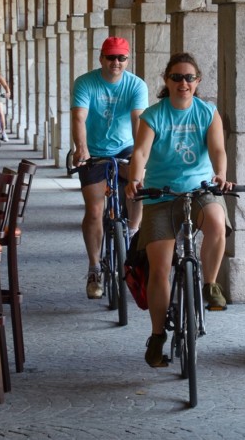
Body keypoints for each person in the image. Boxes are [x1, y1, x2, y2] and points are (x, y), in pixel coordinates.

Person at [125, 52, 233, 368]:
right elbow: (141, 151)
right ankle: (158, 336)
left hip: (199, 190)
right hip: (161, 195)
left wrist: (220, 176)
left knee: (215, 221)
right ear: (167, 81)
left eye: (189, 78)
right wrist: (135, 179)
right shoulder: (153, 116)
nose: (183, 83)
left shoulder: (207, 112)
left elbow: (217, 150)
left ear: (197, 82)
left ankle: (210, 285)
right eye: (176, 77)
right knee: (159, 269)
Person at [71, 37, 149, 299]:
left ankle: (132, 231)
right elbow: (79, 117)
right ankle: (94, 268)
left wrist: (140, 156)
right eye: (111, 57)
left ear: (127, 59)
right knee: (94, 211)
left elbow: (138, 120)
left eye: (121, 58)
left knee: (139, 184)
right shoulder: (85, 83)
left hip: (126, 147)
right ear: (101, 58)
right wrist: (81, 148)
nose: (116, 62)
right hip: (94, 150)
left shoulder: (136, 85)